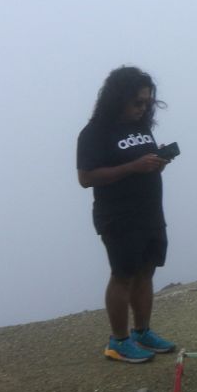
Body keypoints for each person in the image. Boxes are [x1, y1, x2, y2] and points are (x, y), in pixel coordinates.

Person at [77, 66, 177, 363]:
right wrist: (132, 167)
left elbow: (140, 161)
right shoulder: (94, 132)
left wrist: (156, 162)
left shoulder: (140, 127)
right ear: (117, 98)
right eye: (137, 102)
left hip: (150, 212)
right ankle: (118, 341)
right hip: (119, 216)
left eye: (147, 102)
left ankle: (142, 332)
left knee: (146, 271)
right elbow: (86, 177)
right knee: (122, 276)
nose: (143, 108)